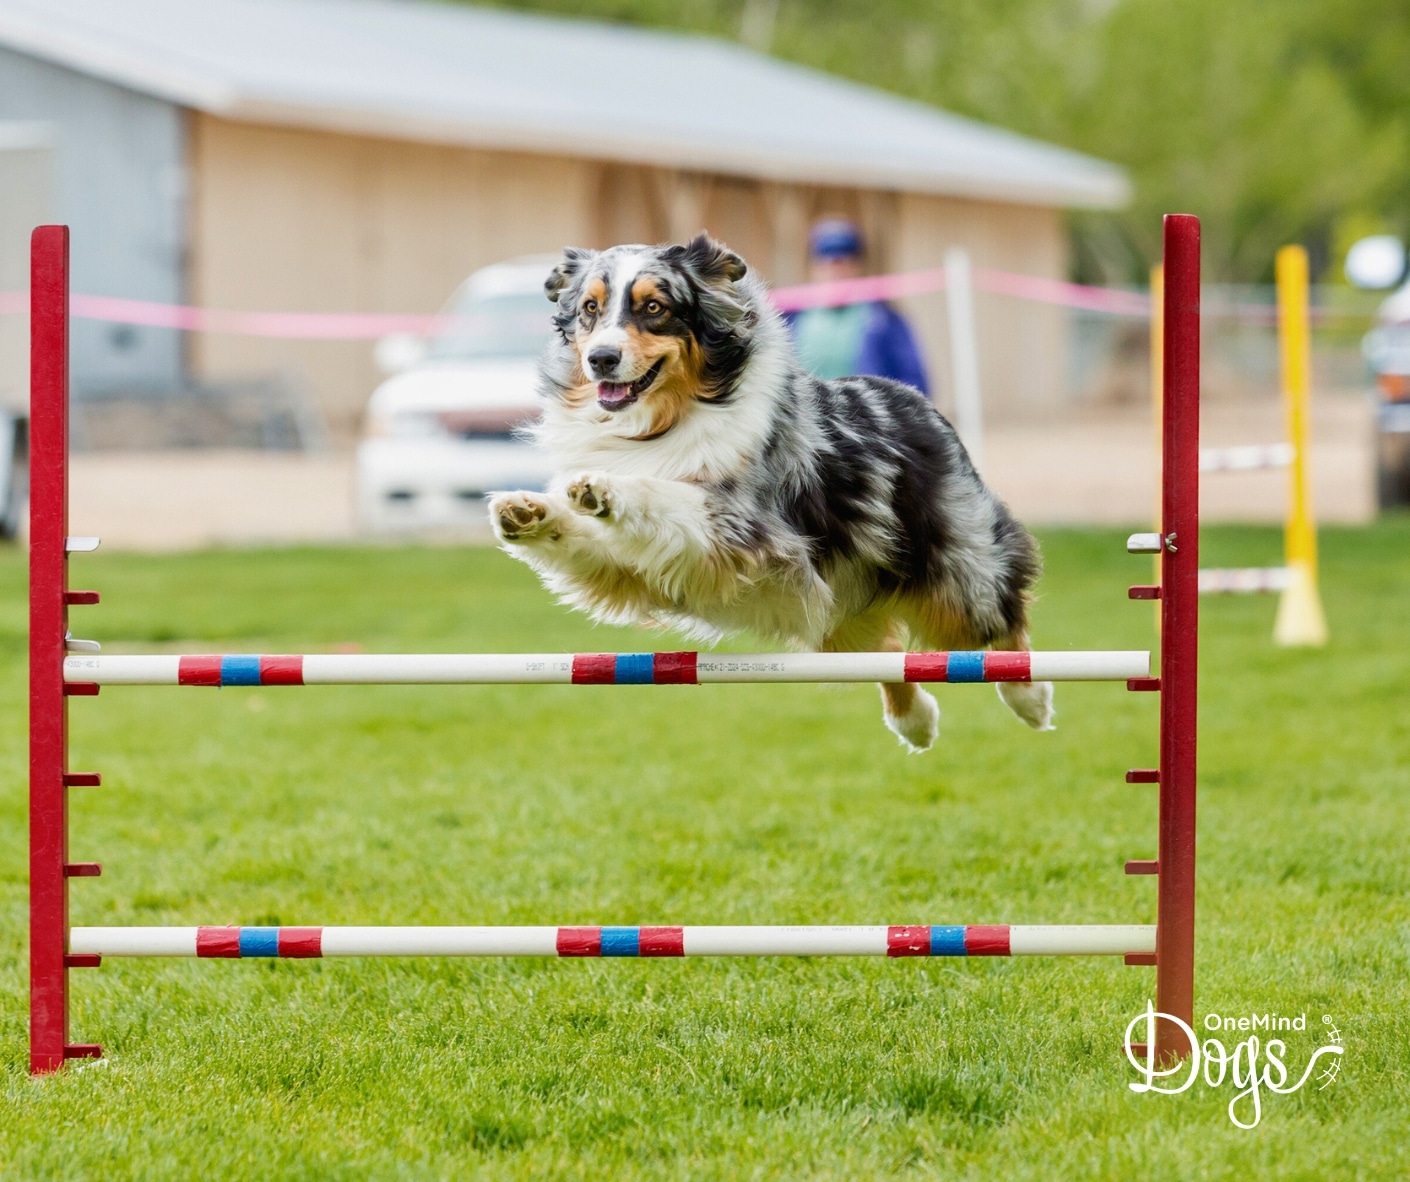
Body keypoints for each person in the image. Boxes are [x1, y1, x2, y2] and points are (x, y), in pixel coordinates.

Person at [784, 219, 929, 394]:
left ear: (858, 267)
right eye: (827, 263)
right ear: (812, 267)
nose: (835, 272)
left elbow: (915, 384)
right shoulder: (789, 319)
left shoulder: (884, 320)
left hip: (864, 418)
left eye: (845, 263)